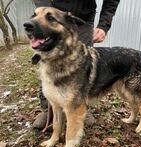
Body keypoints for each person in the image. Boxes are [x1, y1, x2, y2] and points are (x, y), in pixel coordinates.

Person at [32, 0, 120, 129]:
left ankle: (80, 104)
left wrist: (104, 25)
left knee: (83, 64)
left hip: (84, 16)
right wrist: (46, 12)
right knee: (49, 63)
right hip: (53, 13)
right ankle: (48, 108)